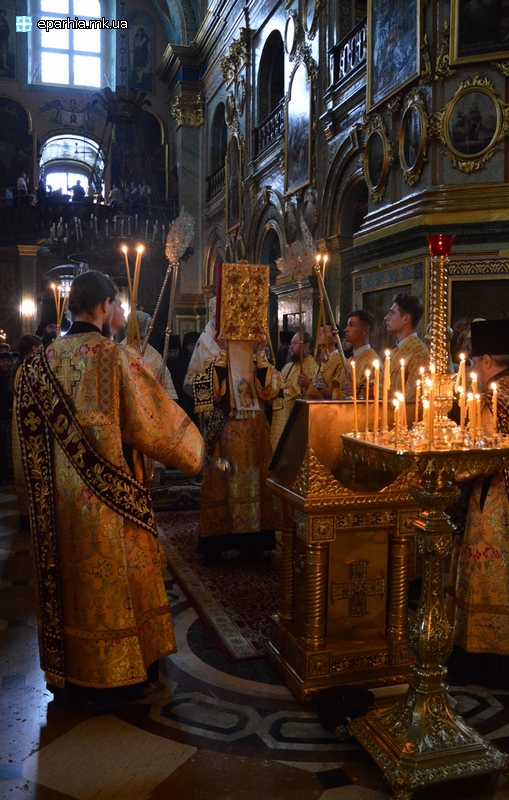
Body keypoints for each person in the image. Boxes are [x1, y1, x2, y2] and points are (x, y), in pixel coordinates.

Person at [16, 271, 204, 697]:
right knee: (117, 583)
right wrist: (197, 454)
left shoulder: (34, 367)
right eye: (118, 304)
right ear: (104, 305)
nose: (120, 312)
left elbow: (22, 444)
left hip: (57, 509)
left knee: (72, 586)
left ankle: (72, 674)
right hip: (111, 502)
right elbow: (155, 427)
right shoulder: (115, 358)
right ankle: (120, 675)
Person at [446, 318, 509, 688]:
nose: (470, 369)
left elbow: (478, 458)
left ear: (486, 360)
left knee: (487, 578)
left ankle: (483, 660)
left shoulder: (488, 397)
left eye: (472, 362)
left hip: (494, 502)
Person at [196, 331, 278, 565]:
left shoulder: (259, 362)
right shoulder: (217, 360)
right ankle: (216, 544)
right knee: (223, 483)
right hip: (226, 433)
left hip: (254, 435)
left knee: (254, 484)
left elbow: (270, 392)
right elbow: (213, 394)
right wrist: (222, 354)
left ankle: (253, 546)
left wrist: (261, 353)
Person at [11, 334, 42, 529]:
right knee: (29, 469)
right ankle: (29, 516)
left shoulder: (23, 367)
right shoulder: (27, 369)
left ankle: (29, 514)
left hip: (24, 424)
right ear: (33, 349)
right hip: (28, 427)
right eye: (39, 348)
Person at [270, 332, 318, 451]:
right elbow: (279, 383)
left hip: (291, 417)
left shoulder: (310, 365)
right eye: (291, 343)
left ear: (306, 346)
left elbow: (300, 390)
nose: (291, 346)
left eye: (295, 343)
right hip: (278, 414)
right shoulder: (288, 365)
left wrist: (280, 392)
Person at [384, 292, 429, 397]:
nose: (386, 318)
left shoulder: (420, 354)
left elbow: (412, 397)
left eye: (392, 313)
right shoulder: (394, 352)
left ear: (406, 318)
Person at [332, 309, 379, 398]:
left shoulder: (372, 362)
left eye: (351, 325)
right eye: (347, 325)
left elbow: (377, 394)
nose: (346, 330)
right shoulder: (348, 361)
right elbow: (337, 389)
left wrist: (360, 391)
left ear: (365, 330)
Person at [298, 323, 345, 399]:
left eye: (325, 332)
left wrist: (309, 384)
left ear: (335, 338)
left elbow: (331, 390)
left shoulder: (340, 361)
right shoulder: (322, 359)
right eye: (319, 331)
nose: (319, 334)